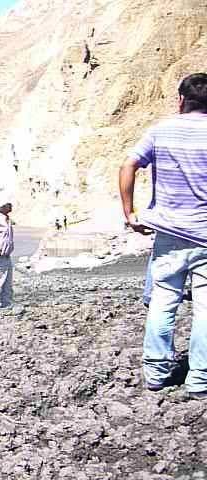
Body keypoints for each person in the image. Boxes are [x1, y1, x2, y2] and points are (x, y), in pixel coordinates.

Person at [119, 73, 207, 398]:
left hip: (169, 234)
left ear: (181, 100)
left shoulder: (160, 130)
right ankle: (200, 380)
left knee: (163, 301)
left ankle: (156, 372)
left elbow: (128, 165)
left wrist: (130, 213)